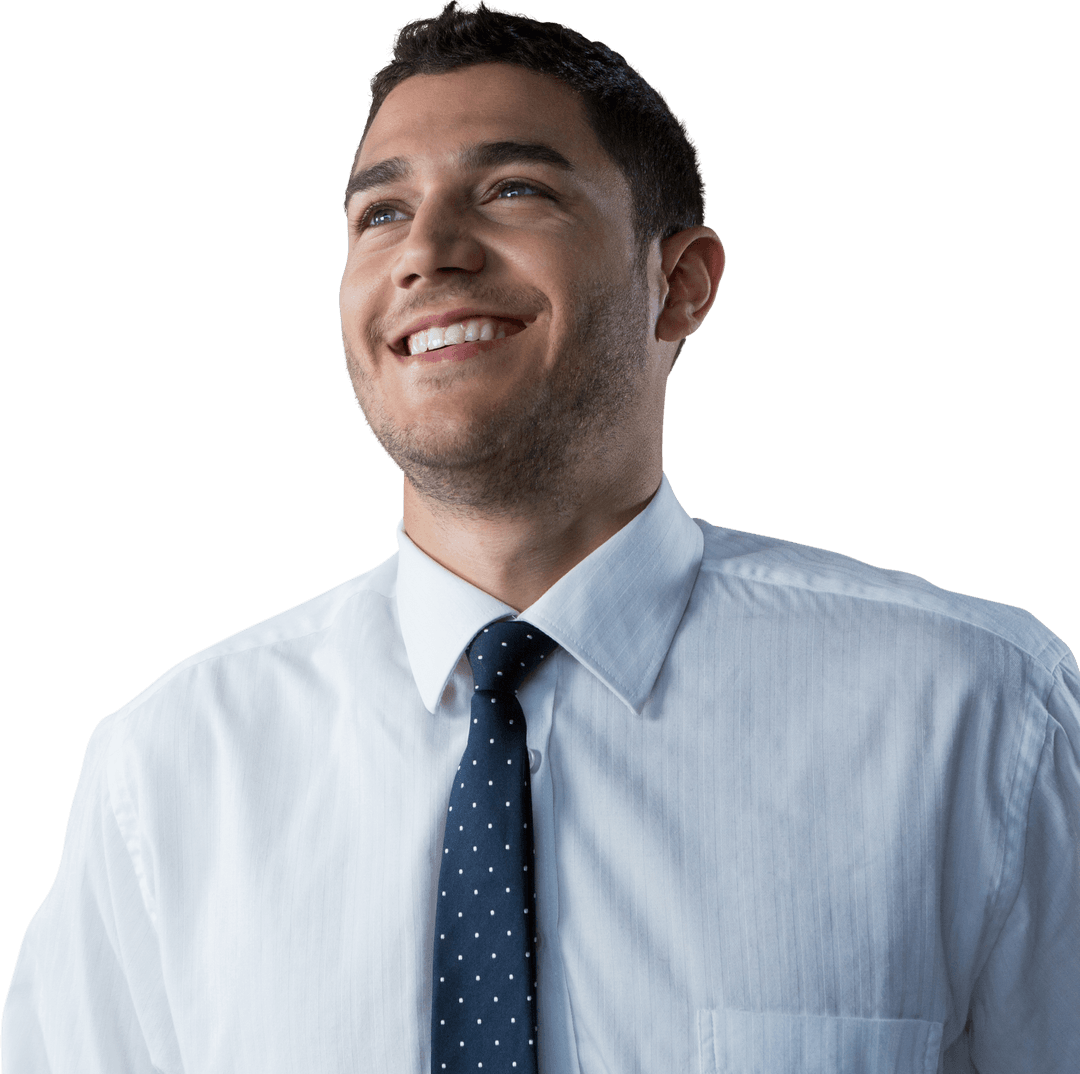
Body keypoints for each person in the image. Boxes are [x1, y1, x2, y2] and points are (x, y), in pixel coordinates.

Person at [3, 1, 1077, 1070]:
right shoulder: (170, 770)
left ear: (682, 284)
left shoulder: (974, 713)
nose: (426, 250)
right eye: (379, 215)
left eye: (514, 189)